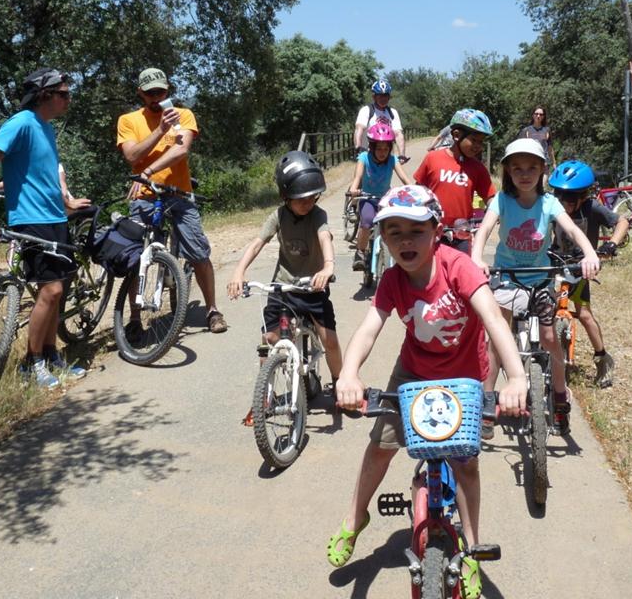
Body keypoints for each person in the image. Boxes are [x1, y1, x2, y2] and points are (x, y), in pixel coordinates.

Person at [328, 185, 528, 598]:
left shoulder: (459, 268)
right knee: (381, 444)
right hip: (413, 372)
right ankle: (354, 516)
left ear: (436, 231)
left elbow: (493, 319)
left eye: (416, 230)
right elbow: (369, 329)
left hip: (466, 374)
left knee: (466, 464)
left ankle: (471, 551)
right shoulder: (391, 281)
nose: (405, 241)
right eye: (393, 231)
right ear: (382, 238)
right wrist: (348, 373)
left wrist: (517, 378)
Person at [470, 140, 601, 438]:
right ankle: (488, 399)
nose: (524, 174)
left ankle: (558, 397)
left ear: (543, 170)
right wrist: (476, 258)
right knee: (496, 340)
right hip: (507, 277)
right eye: (517, 168)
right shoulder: (501, 200)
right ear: (507, 171)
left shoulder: (550, 203)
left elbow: (572, 229)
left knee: (549, 336)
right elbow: (484, 231)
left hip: (540, 278)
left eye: (531, 167)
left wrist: (589, 253)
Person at [0, 68, 92, 387]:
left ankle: (51, 354)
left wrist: (68, 206)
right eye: (63, 94)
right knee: (50, 290)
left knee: (57, 291)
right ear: (44, 96)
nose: (69, 99)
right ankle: (31, 362)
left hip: (54, 219)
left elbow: (43, 178)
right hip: (31, 220)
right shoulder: (22, 122)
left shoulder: (46, 128)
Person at [227, 151, 342, 425]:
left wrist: (327, 267)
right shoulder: (277, 216)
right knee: (269, 341)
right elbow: (257, 243)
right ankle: (264, 397)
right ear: (285, 196)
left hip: (312, 288)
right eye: (300, 198)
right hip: (283, 288)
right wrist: (238, 271)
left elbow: (325, 238)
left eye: (312, 197)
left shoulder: (318, 215)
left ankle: (340, 383)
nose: (307, 203)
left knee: (330, 341)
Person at [116, 67, 227, 334]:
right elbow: (132, 155)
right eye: (150, 93)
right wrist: (159, 131)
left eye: (161, 92)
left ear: (168, 90)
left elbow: (182, 148)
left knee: (199, 252)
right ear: (140, 93)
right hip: (144, 195)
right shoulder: (128, 120)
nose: (156, 97)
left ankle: (212, 309)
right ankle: (134, 318)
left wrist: (148, 170)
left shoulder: (184, 115)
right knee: (136, 256)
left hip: (178, 194)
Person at [549, 160, 628, 388]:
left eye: (570, 198)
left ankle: (602, 359)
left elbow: (622, 221)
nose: (564, 203)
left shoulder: (592, 208)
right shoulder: (554, 206)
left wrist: (611, 245)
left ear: (584, 196)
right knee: (542, 307)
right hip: (555, 264)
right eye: (560, 196)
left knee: (583, 315)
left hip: (580, 268)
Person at [413, 108, 497, 254]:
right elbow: (418, 191)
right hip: (432, 232)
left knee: (464, 272)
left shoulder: (478, 168)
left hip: (462, 235)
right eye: (474, 140)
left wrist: (498, 212)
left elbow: (491, 199)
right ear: (457, 135)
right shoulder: (433, 159)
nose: (478, 146)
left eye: (481, 142)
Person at [345, 123, 412, 271]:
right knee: (367, 222)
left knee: (393, 224)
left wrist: (413, 189)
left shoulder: (392, 160)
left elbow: (405, 179)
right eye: (379, 149)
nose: (383, 152)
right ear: (372, 147)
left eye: (386, 149)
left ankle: (392, 253)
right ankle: (360, 252)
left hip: (384, 199)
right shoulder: (364, 158)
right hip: (367, 198)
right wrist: (354, 189)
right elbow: (357, 177)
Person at [353, 78, 406, 160]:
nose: (383, 99)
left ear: (389, 97)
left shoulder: (393, 112)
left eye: (385, 96)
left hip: (386, 156)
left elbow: (398, 134)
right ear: (374, 97)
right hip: (367, 155)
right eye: (380, 96)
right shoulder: (366, 110)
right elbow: (359, 129)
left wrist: (402, 154)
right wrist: (358, 147)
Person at [516, 106, 556, 170]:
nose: (538, 116)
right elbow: (520, 148)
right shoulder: (526, 130)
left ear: (543, 116)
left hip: (544, 163)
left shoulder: (547, 130)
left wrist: (554, 163)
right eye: (536, 114)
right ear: (533, 115)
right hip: (530, 164)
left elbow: (550, 148)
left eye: (541, 114)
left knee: (544, 180)